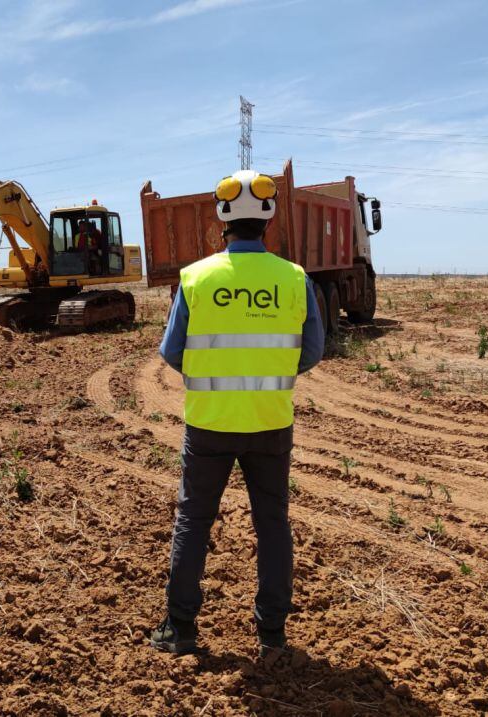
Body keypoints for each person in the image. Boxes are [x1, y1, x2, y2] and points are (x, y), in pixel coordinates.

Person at [150, 169, 325, 657]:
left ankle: (180, 628)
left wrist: (216, 372)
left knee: (194, 520)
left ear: (221, 217)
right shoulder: (294, 279)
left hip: (209, 422)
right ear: (269, 217)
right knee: (272, 524)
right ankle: (271, 635)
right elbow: (310, 353)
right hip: (271, 421)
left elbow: (171, 352)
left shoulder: (196, 278)